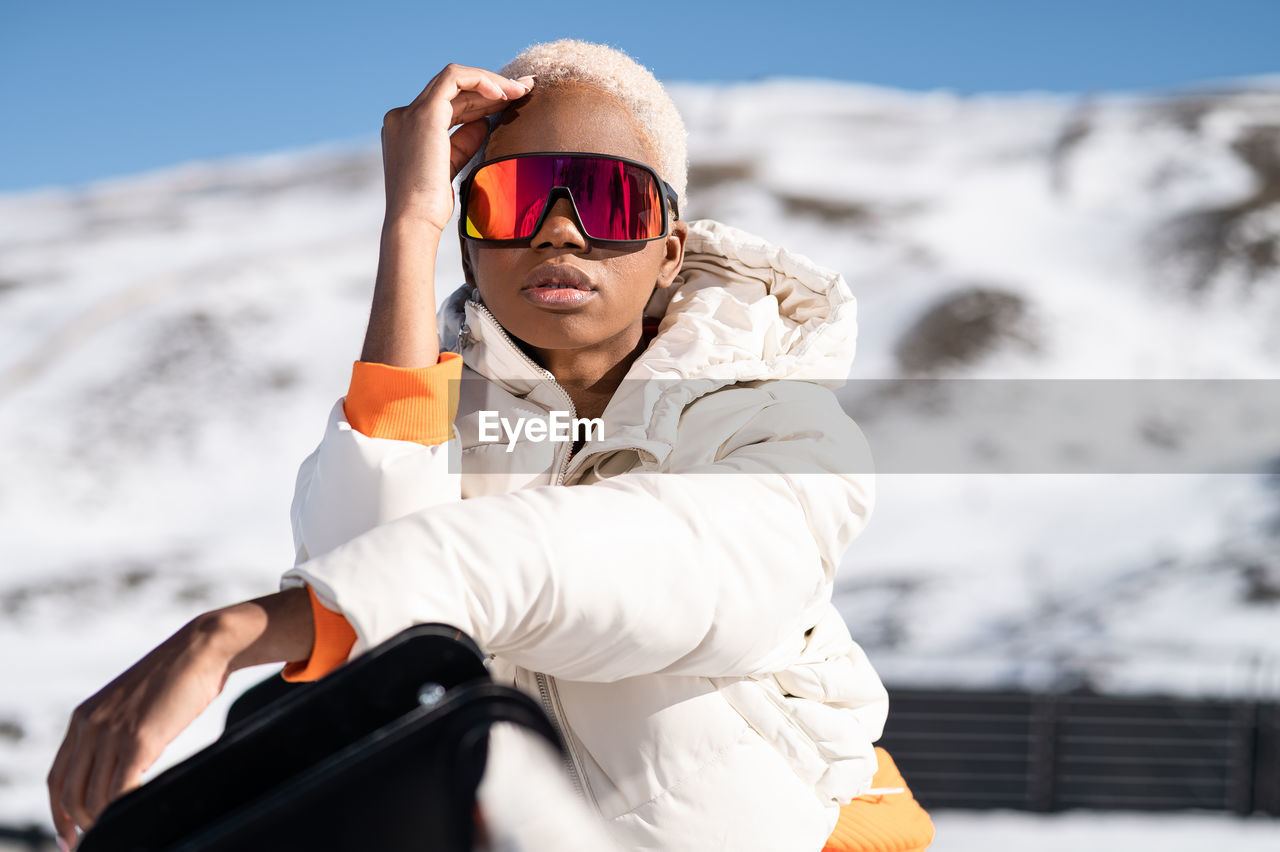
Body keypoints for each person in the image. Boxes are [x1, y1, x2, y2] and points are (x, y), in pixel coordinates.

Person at [47, 40, 933, 852]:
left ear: (670, 250)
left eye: (607, 198)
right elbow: (376, 631)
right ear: (472, 244)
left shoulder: (779, 417)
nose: (560, 229)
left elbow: (675, 570)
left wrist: (240, 628)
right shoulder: (445, 412)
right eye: (510, 199)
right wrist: (410, 227)